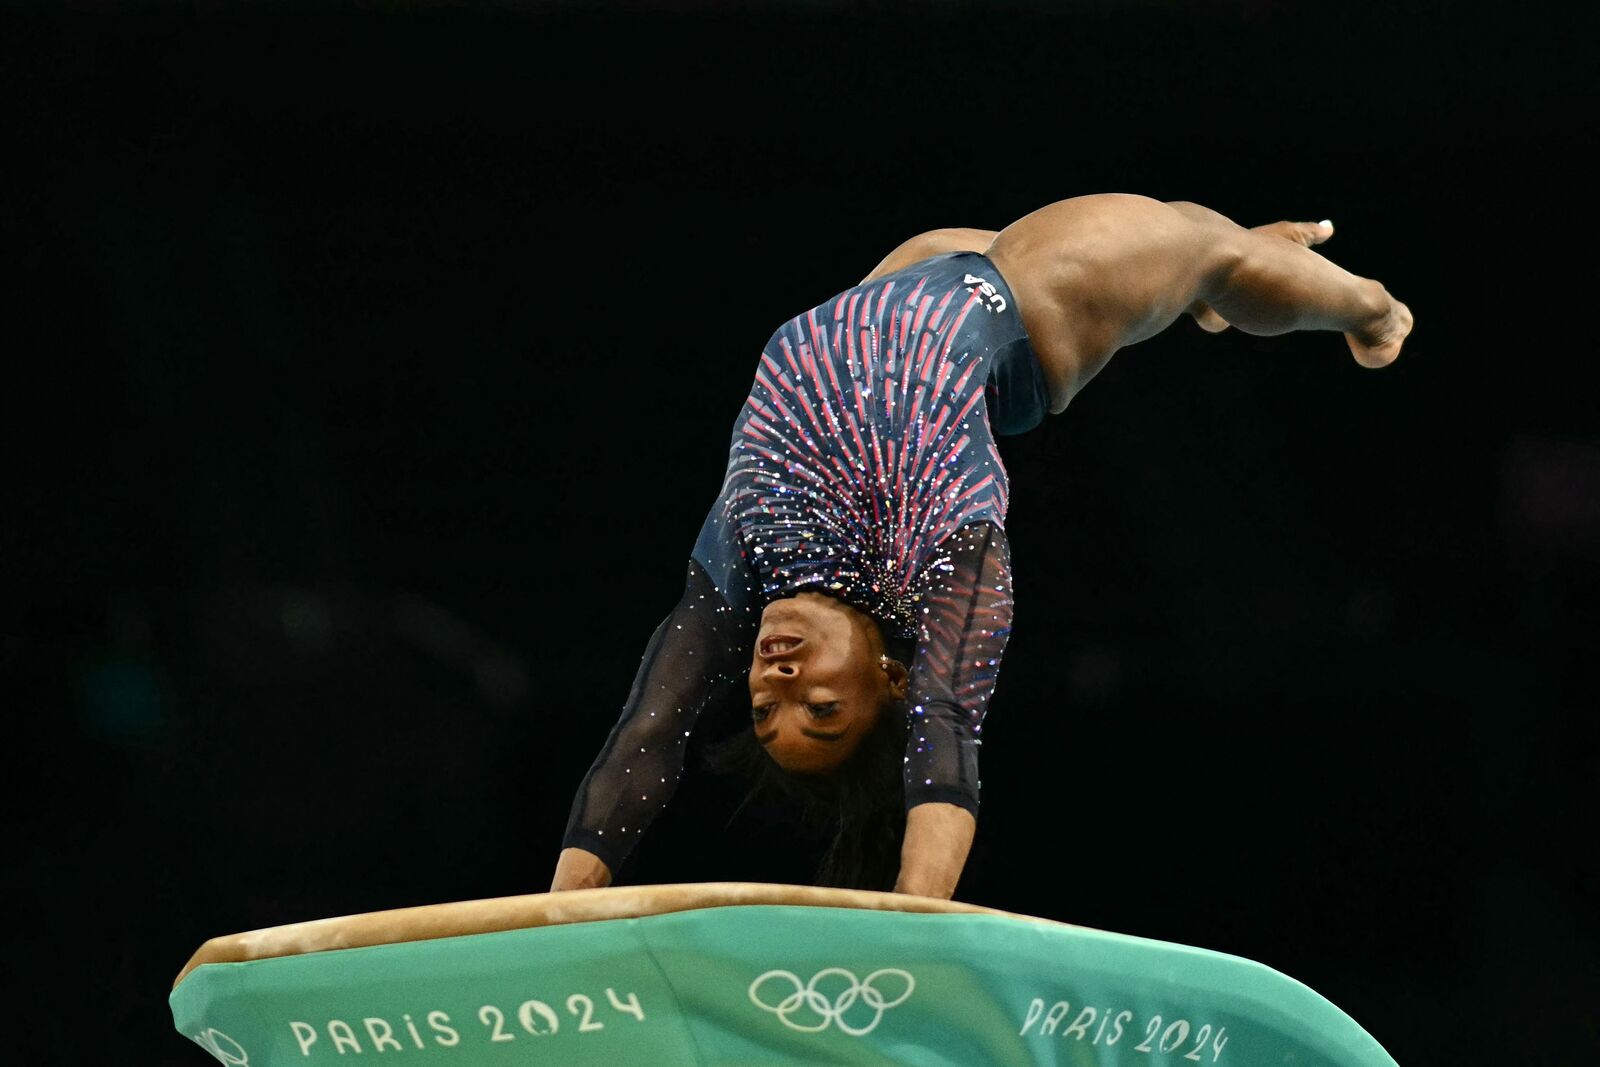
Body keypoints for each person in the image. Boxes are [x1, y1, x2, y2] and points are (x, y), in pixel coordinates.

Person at [549, 193, 1413, 900]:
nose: (778, 688)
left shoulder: (741, 568)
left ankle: (1219, 276)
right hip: (1033, 301)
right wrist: (914, 929)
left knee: (1195, 251)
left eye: (768, 714)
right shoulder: (944, 559)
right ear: (891, 678)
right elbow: (947, 735)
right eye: (821, 710)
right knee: (1205, 246)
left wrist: (553, 918)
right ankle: (1374, 305)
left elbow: (644, 737)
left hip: (904, 279)